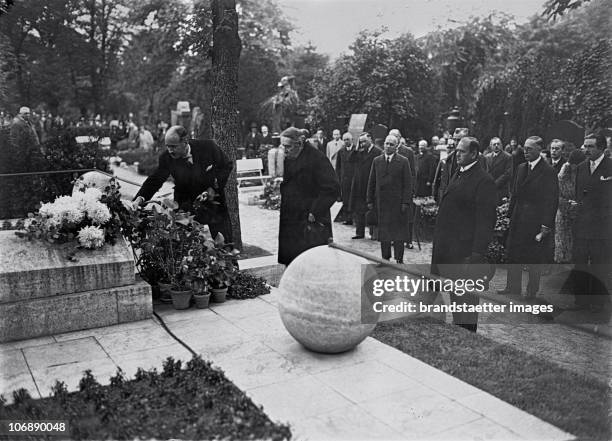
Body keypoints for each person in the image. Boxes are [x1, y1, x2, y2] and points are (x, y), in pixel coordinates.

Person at [431, 137, 497, 332]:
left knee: (465, 303)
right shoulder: (458, 173)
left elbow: (485, 221)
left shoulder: (484, 181)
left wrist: (476, 254)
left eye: (462, 151)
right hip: (448, 249)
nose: (457, 154)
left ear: (474, 154)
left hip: (464, 253)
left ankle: (467, 338)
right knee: (453, 298)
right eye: (457, 150)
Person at [132, 125, 234, 243]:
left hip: (215, 207)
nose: (170, 150)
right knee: (186, 249)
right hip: (185, 208)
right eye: (168, 146)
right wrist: (140, 198)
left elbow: (226, 165)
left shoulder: (208, 147)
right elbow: (155, 180)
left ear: (185, 141)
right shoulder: (167, 158)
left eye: (173, 146)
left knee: (226, 248)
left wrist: (213, 188)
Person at [499, 136, 559, 300]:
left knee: (534, 257)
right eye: (524, 148)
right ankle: (512, 287)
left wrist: (546, 225)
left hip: (535, 220)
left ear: (539, 150)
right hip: (519, 217)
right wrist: (509, 215)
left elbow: (551, 200)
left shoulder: (548, 171)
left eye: (530, 149)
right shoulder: (521, 168)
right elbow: (515, 194)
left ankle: (531, 291)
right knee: (513, 253)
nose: (525, 151)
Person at [277, 127, 339, 265]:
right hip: (291, 217)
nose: (285, 151)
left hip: (310, 218)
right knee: (292, 260)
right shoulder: (290, 157)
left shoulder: (317, 159)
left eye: (288, 147)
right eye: (283, 147)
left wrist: (315, 211)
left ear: (299, 144)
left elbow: (332, 189)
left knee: (311, 261)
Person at [572, 131, 612, 311]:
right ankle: (580, 301)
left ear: (602, 148)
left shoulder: (610, 168)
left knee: (599, 264)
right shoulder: (580, 167)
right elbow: (579, 194)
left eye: (591, 147)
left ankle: (597, 303)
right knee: (580, 262)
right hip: (582, 225)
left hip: (602, 227)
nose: (586, 150)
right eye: (585, 146)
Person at [367, 135, 413, 263]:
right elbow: (372, 181)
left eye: (391, 144)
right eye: (386, 143)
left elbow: (408, 184)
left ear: (397, 146)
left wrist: (405, 202)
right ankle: (385, 258)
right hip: (382, 203)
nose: (388, 146)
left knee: (398, 233)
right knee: (384, 232)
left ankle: (399, 258)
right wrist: (370, 200)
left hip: (397, 203)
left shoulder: (403, 161)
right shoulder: (377, 161)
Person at [554, 149, 586, 263]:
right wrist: (568, 204)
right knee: (563, 242)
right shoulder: (563, 174)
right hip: (564, 213)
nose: (574, 167)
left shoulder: (583, 172)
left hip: (580, 213)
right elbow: (556, 194)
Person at [349, 132, 382, 239]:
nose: (363, 144)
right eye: (361, 142)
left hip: (370, 183)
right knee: (359, 209)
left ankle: (373, 232)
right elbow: (350, 159)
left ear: (370, 140)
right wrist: (356, 148)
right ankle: (359, 232)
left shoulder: (377, 152)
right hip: (359, 184)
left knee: (371, 207)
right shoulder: (359, 152)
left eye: (364, 141)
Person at [336, 132, 357, 225]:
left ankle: (354, 218)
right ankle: (347, 218)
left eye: (347, 139)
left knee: (354, 199)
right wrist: (338, 178)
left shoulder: (356, 150)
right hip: (344, 179)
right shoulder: (341, 151)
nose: (346, 142)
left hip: (354, 178)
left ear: (352, 140)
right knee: (345, 199)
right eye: (344, 140)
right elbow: (338, 166)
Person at [485, 137, 512, 203]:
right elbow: (485, 171)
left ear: (501, 145)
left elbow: (507, 174)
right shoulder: (487, 157)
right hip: (488, 189)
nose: (496, 146)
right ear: (491, 146)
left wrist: (495, 184)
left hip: (501, 189)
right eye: (494, 144)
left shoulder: (508, 157)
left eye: (498, 144)